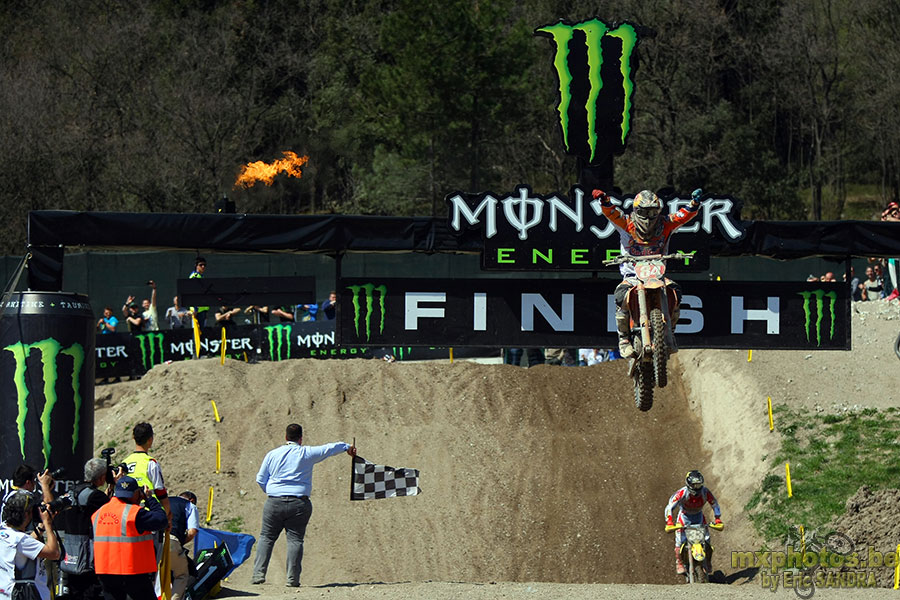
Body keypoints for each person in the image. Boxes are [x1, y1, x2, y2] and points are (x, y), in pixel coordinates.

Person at [592, 188, 702, 358]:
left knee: (676, 292)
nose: (648, 217)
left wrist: (694, 204)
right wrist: (604, 201)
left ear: (658, 211)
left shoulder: (665, 224)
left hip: (657, 274)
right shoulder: (627, 223)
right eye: (644, 212)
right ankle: (623, 339)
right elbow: (612, 213)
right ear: (636, 211)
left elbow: (682, 216)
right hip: (632, 275)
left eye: (652, 212)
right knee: (621, 296)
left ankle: (670, 332)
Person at [251, 424, 356, 587]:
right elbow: (328, 449)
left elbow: (260, 478)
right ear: (301, 438)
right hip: (299, 503)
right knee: (295, 540)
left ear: (286, 437)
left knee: (267, 537)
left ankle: (258, 575)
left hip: (273, 502)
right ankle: (292, 579)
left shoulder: (272, 454)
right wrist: (346, 447)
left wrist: (273, 492)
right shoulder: (306, 453)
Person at [91, 477, 167, 600]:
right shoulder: (135, 513)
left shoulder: (99, 513)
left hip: (105, 572)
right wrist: (150, 499)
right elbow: (161, 520)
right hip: (132, 572)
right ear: (137, 493)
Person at [56, 459, 113, 600]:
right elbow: (114, 510)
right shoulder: (95, 496)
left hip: (70, 557)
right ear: (101, 478)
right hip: (89, 560)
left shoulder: (72, 492)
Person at [1, 491, 60, 600]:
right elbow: (54, 553)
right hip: (26, 594)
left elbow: (25, 547)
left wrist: (40, 528)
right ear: (26, 514)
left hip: (6, 593)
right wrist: (48, 524)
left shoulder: (4, 533)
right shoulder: (19, 539)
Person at [665, 470, 722, 575]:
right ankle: (679, 562)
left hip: (699, 517)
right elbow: (670, 506)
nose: (696, 487)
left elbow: (714, 503)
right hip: (684, 518)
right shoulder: (682, 493)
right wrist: (669, 521)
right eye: (694, 484)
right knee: (679, 542)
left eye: (698, 484)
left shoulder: (705, 492)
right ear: (689, 484)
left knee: (707, 542)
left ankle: (708, 562)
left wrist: (717, 518)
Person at [167, 492, 199, 600]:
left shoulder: (163, 500)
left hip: (151, 540)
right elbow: (192, 532)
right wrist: (180, 542)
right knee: (181, 575)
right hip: (172, 540)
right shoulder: (190, 506)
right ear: (192, 500)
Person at [189, 257, 208, 327]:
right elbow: (193, 293)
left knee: (202, 333)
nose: (203, 267)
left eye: (204, 265)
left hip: (202, 310)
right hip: (197, 310)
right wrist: (195, 308)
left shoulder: (200, 276)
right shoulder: (195, 276)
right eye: (201, 265)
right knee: (197, 332)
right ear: (196, 266)